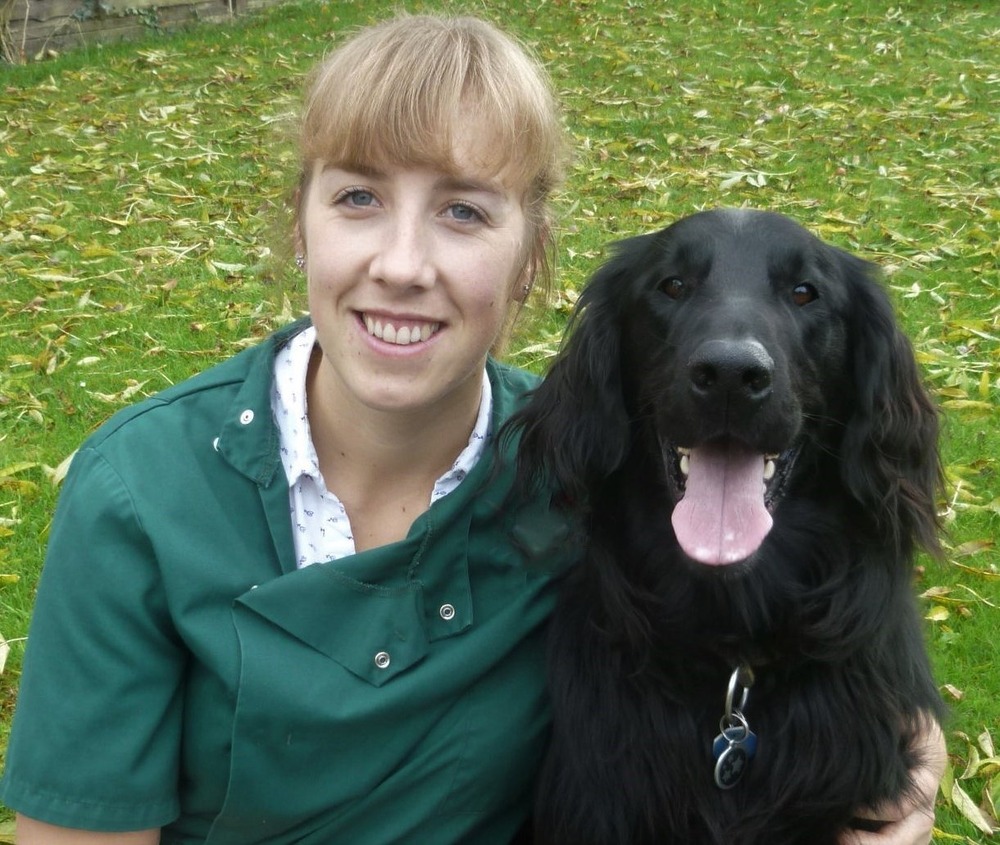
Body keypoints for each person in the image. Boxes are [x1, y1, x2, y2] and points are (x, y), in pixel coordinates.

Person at [0, 13, 945, 845]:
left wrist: (906, 746)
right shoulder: (140, 494)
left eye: (462, 210)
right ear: (299, 224)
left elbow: (823, 570)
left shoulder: (581, 459)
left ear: (530, 255)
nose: (403, 264)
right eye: (358, 197)